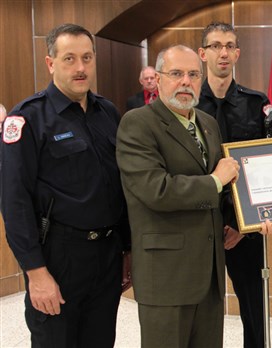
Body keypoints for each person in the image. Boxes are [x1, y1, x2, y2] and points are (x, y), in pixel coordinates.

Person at [0, 23, 131, 348]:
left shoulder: (108, 112)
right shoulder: (28, 119)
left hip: (107, 254)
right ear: (50, 63)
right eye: (69, 58)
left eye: (87, 58)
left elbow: (120, 187)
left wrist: (126, 250)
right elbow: (15, 202)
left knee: (100, 341)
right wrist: (36, 273)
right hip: (58, 257)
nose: (81, 67)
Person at [116, 44, 241, 347]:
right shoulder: (137, 123)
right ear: (157, 79)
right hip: (166, 275)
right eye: (176, 73)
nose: (186, 81)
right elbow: (156, 190)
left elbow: (224, 189)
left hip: (209, 274)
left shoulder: (207, 124)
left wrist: (240, 218)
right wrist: (214, 181)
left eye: (194, 74)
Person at [196, 22, 272, 348]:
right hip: (198, 224)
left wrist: (243, 224)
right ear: (202, 54)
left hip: (245, 227)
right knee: (200, 310)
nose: (223, 53)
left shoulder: (256, 104)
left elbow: (263, 167)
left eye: (229, 46)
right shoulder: (186, 105)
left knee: (254, 310)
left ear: (238, 53)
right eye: (215, 46)